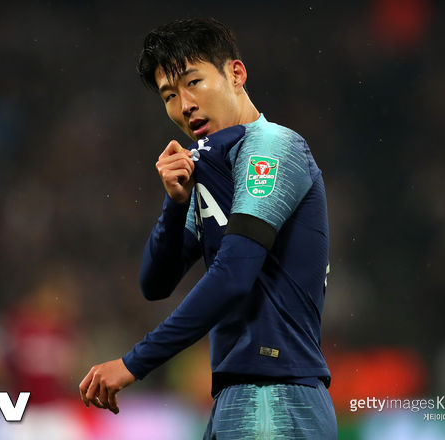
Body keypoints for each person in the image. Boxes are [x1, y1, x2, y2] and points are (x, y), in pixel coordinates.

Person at [79, 17, 337, 439]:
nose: (184, 105)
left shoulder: (271, 148)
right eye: (169, 95)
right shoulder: (213, 167)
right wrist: (176, 203)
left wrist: (133, 363)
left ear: (236, 74)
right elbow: (155, 283)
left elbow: (233, 276)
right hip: (239, 394)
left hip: (273, 397)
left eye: (194, 82)